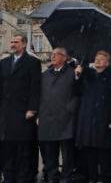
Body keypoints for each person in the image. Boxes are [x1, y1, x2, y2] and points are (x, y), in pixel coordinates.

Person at [0, 34, 41, 183]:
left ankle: (22, 177)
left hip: (23, 112)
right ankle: (8, 176)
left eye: (16, 42)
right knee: (7, 146)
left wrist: (32, 108)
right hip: (6, 112)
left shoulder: (32, 63)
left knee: (23, 147)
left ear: (24, 44)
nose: (13, 44)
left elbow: (35, 87)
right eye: (11, 42)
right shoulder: (4, 63)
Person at [75, 50, 111, 183]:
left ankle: (104, 177)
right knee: (90, 151)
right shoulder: (88, 75)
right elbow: (77, 92)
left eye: (101, 59)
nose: (98, 60)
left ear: (108, 62)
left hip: (103, 118)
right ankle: (92, 178)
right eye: (96, 58)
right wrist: (77, 76)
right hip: (88, 118)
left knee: (103, 152)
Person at [37, 47, 80, 183]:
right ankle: (52, 176)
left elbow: (78, 95)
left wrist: (69, 109)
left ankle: (66, 176)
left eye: (56, 54)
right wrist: (39, 114)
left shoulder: (73, 73)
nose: (53, 56)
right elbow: (40, 96)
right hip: (47, 117)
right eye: (52, 54)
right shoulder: (45, 75)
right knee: (50, 152)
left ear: (64, 58)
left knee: (67, 152)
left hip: (66, 119)